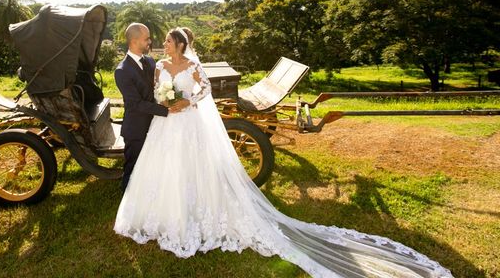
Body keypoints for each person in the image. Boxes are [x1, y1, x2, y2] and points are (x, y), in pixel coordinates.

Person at [114, 27, 453, 277]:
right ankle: (162, 212)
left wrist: (187, 101)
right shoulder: (158, 66)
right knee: (164, 169)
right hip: (166, 125)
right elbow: (157, 95)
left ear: (181, 45)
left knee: (195, 168)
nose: (162, 44)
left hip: (187, 122)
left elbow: (203, 92)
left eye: (168, 41)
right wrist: (166, 102)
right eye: (159, 42)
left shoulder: (191, 66)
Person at [114, 23, 185, 192]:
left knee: (151, 165)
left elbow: (157, 88)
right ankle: (127, 200)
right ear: (134, 41)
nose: (150, 41)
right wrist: (166, 111)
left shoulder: (151, 61)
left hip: (156, 126)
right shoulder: (122, 71)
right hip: (136, 129)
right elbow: (135, 103)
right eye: (146, 39)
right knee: (133, 167)